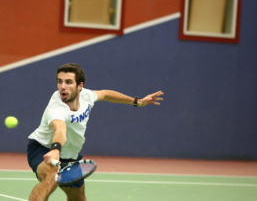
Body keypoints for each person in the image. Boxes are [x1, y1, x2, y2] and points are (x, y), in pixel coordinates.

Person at [27, 63, 164, 201]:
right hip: (44, 149)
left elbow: (105, 94)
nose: (62, 86)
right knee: (52, 176)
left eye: (68, 82)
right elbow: (60, 129)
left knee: (78, 197)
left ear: (80, 86)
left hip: (70, 155)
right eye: (59, 81)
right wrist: (55, 149)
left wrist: (137, 101)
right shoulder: (56, 108)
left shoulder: (86, 96)